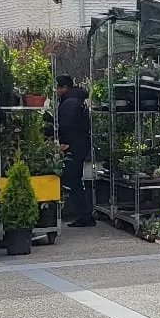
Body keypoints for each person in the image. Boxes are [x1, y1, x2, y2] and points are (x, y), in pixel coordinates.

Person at [55, 76, 94, 227]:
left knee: (73, 179)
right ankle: (85, 215)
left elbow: (66, 125)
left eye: (58, 87)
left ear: (64, 87)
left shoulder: (70, 102)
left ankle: (85, 215)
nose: (56, 90)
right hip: (80, 144)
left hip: (74, 146)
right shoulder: (75, 99)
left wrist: (63, 142)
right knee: (75, 178)